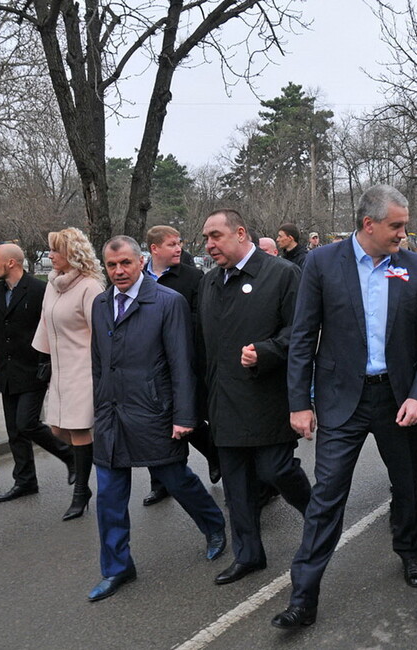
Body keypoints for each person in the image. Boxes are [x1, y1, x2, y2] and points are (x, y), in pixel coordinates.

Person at [272, 184, 417, 630]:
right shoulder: (322, 263)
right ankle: (303, 596)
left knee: (407, 484)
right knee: (327, 496)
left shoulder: (416, 267)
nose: (403, 235)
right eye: (397, 226)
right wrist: (299, 402)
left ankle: (409, 552)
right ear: (369, 224)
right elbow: (303, 336)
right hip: (340, 399)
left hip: (397, 398)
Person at [86, 236, 226, 602]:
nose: (118, 271)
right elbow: (99, 363)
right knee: (110, 498)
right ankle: (118, 568)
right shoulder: (101, 304)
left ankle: (214, 526)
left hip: (154, 413)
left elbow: (182, 364)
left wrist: (184, 416)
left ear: (141, 261)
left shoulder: (168, 302)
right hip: (111, 415)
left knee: (176, 480)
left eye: (125, 263)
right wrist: (99, 407)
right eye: (112, 265)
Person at [199, 209, 312, 586]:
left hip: (267, 397)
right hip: (224, 400)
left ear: (241, 233)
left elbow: (301, 331)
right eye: (206, 238)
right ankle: (248, 555)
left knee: (275, 469)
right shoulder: (209, 282)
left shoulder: (281, 274)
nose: (209, 245)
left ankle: (317, 515)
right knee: (236, 486)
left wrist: (267, 351)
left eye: (215, 236)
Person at [0, 244, 75, 502]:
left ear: (12, 263)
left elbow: (54, 328)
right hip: (7, 373)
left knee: (26, 423)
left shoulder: (40, 290)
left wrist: (50, 364)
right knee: (14, 431)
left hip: (34, 371)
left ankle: (71, 455)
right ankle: (25, 481)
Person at [139, 226, 220, 507]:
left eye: (179, 243)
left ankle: (213, 452)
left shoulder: (192, 277)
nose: (178, 249)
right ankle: (159, 483)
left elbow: (202, 318)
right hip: (149, 363)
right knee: (156, 424)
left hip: (184, 358)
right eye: (172, 244)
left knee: (190, 417)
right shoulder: (139, 278)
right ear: (154, 249)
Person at [32, 227, 106, 520]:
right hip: (60, 370)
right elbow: (45, 321)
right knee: (57, 430)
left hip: (83, 369)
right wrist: (43, 357)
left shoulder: (90, 287)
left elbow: (101, 333)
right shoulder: (53, 284)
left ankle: (81, 491)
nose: (49, 256)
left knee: (77, 429)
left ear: (72, 254)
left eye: (55, 251)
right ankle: (98, 459)